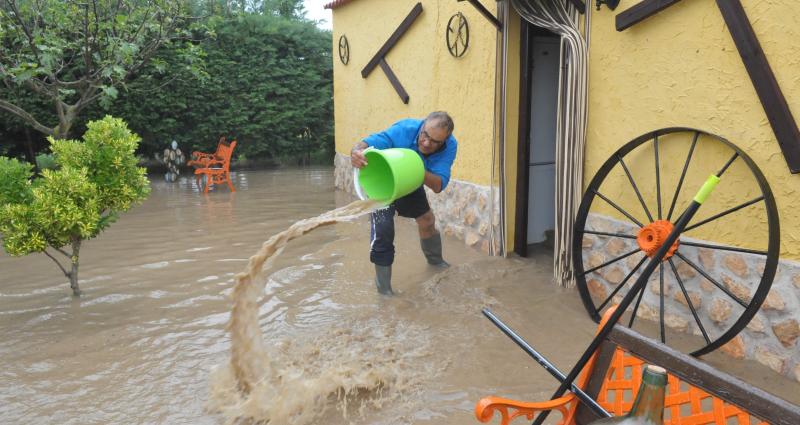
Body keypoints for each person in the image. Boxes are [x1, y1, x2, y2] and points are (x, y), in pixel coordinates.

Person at [350, 111, 458, 295]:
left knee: (426, 220)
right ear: (422, 125)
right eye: (425, 135)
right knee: (383, 231)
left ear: (445, 141)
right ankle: (384, 291)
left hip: (410, 179)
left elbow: (439, 184)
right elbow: (369, 142)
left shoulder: (450, 146)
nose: (426, 143)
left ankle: (436, 263)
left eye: (435, 142)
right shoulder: (405, 129)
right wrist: (356, 152)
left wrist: (415, 168)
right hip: (380, 181)